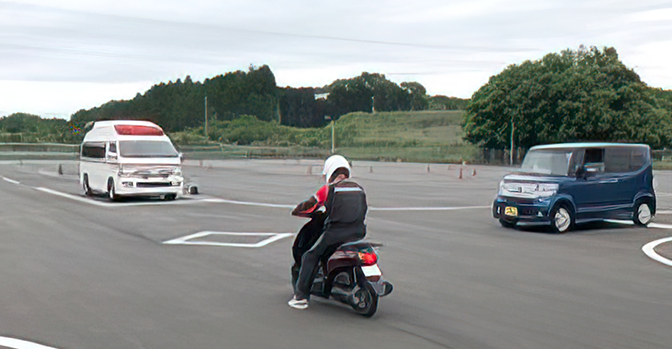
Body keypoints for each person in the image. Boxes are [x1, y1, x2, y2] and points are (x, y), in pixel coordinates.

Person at [288, 155, 368, 310]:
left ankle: (301, 297)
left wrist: (298, 210)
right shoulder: (359, 188)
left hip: (334, 234)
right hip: (358, 232)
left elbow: (310, 206)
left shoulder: (329, 189)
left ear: (330, 172)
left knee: (309, 256)